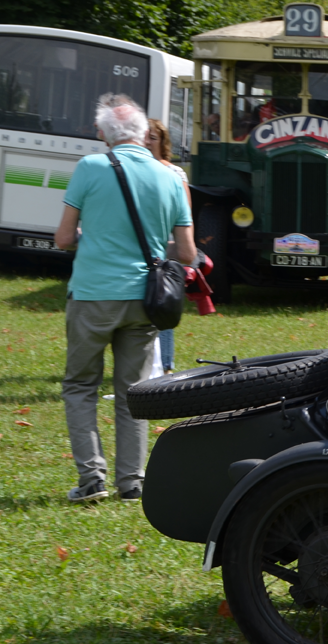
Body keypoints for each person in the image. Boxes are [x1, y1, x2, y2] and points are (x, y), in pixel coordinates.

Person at [54, 94, 195, 502]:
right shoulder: (170, 176)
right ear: (145, 133)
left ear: (103, 134)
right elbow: (186, 253)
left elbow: (63, 238)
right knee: (134, 391)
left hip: (93, 295)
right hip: (145, 299)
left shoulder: (90, 167)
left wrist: (92, 238)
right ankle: (132, 482)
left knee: (81, 385)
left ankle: (91, 479)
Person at [146, 118, 192, 374]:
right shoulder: (131, 171)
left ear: (163, 142)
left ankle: (165, 366)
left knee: (161, 304)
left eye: (154, 137)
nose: (148, 142)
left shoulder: (175, 173)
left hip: (165, 248)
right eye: (145, 137)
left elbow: (185, 216)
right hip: (139, 248)